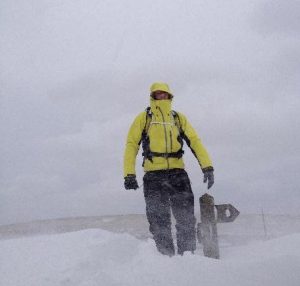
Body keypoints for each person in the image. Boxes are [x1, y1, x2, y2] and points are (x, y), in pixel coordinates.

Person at [123, 82, 214, 256]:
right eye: (157, 94)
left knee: (186, 219)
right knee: (158, 221)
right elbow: (131, 145)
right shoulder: (144, 118)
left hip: (177, 174)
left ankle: (187, 258)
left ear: (169, 95)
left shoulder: (178, 118)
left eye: (164, 93)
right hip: (153, 177)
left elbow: (195, 141)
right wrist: (129, 174)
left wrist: (207, 166)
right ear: (152, 96)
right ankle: (166, 260)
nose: (161, 96)